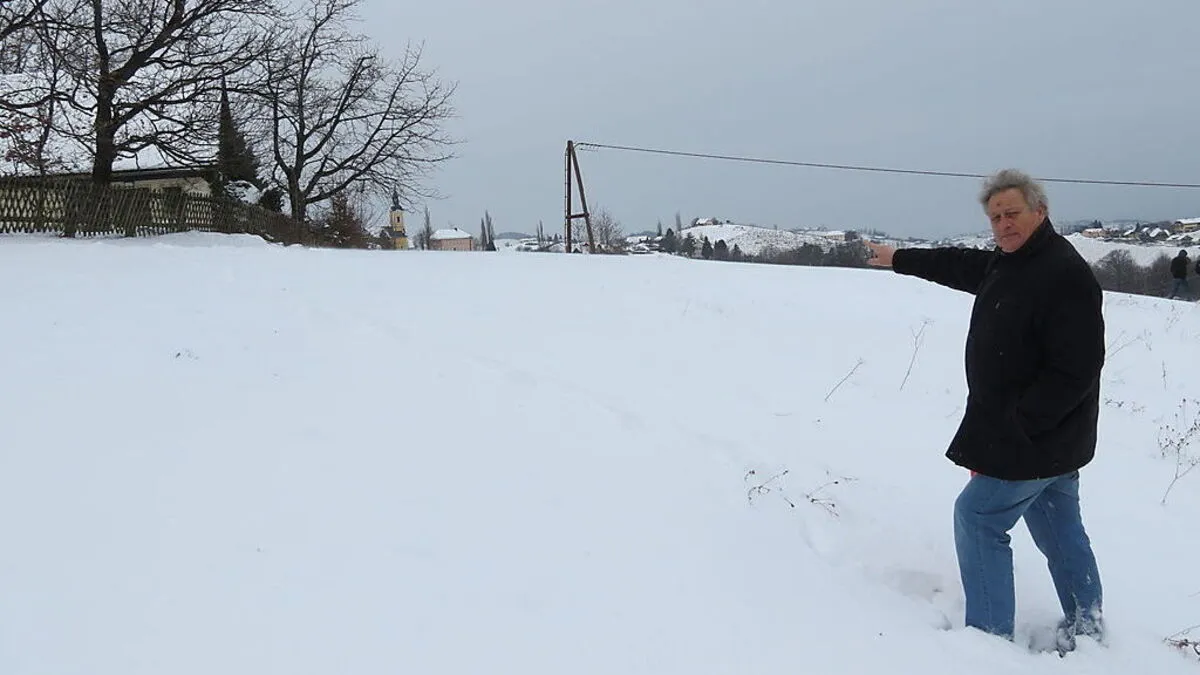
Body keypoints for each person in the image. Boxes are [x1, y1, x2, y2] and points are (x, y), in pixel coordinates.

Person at [865, 169, 1105, 650]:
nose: (1003, 224)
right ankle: (1088, 629)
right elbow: (960, 265)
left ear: (1040, 211)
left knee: (977, 518)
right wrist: (899, 259)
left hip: (1032, 440)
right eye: (995, 217)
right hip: (1055, 443)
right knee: (1059, 529)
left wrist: (1019, 428)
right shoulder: (1011, 262)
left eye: (1012, 213)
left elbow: (1076, 370)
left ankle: (989, 643)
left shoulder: (1063, 275)